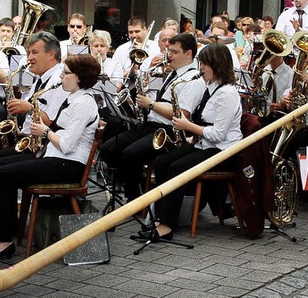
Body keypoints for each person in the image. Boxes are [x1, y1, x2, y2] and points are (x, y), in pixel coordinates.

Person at [0, 54, 100, 258]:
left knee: (1, 176)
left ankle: (3, 241)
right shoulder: (73, 98)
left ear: (79, 77)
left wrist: (44, 132)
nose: (61, 77)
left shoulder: (84, 104)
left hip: (67, 165)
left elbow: (68, 145)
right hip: (53, 157)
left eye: (66, 73)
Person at [139, 43, 242, 239]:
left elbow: (218, 135)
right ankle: (160, 216)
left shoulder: (228, 94)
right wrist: (191, 135)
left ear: (217, 65)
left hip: (223, 151)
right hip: (205, 144)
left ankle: (168, 225)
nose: (200, 68)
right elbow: (205, 123)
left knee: (177, 168)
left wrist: (188, 126)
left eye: (204, 64)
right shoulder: (212, 87)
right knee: (162, 161)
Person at [0, 31, 67, 225]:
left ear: (51, 55)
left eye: (34, 52)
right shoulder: (41, 77)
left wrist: (28, 107)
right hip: (25, 136)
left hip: (42, 144)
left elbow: (50, 121)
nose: (28, 58)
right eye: (28, 52)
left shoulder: (57, 80)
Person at [100, 33, 203, 202]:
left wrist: (150, 104)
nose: (169, 56)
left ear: (189, 53)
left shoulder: (192, 78)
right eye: (169, 51)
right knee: (108, 148)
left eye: (175, 52)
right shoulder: (173, 73)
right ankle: (138, 185)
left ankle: (135, 200)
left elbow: (182, 114)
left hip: (169, 131)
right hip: (151, 125)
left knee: (129, 154)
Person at [112, 16, 161, 82]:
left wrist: (144, 53)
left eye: (137, 31)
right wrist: (130, 72)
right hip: (127, 88)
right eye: (131, 32)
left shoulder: (156, 47)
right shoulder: (121, 49)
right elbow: (114, 76)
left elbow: (157, 73)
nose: (134, 35)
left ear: (145, 30)